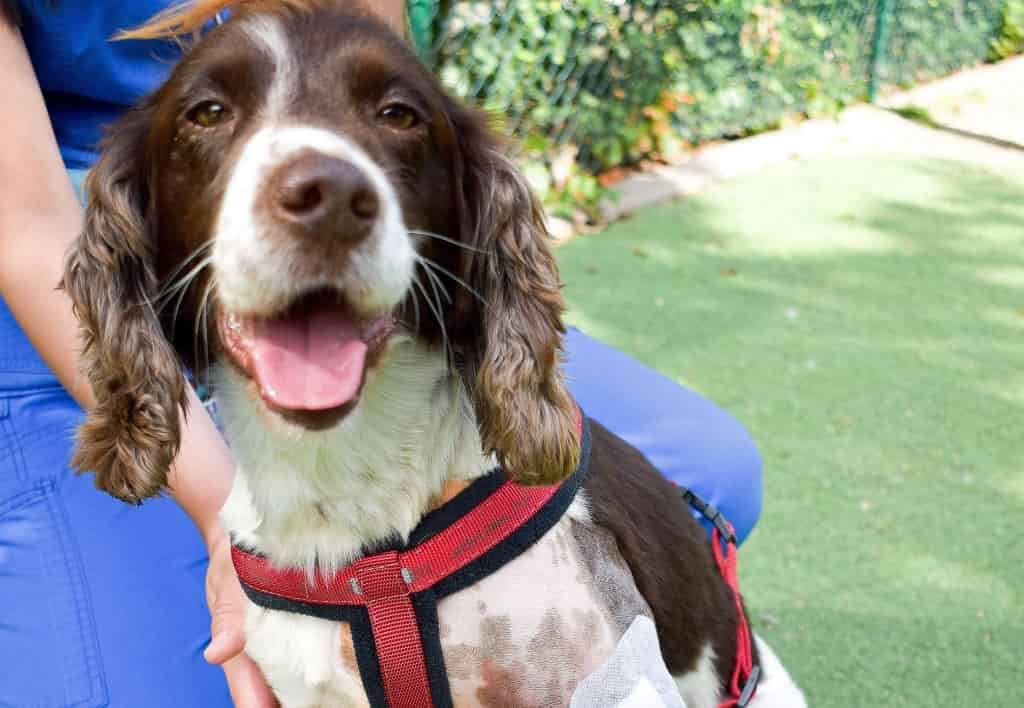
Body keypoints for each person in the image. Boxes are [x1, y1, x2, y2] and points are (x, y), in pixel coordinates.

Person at [0, 1, 762, 706]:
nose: (325, 188)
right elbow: (28, 226)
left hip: (382, 292)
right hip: (61, 283)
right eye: (210, 112)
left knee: (714, 473)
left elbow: (367, 51)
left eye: (394, 115)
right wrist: (218, 522)